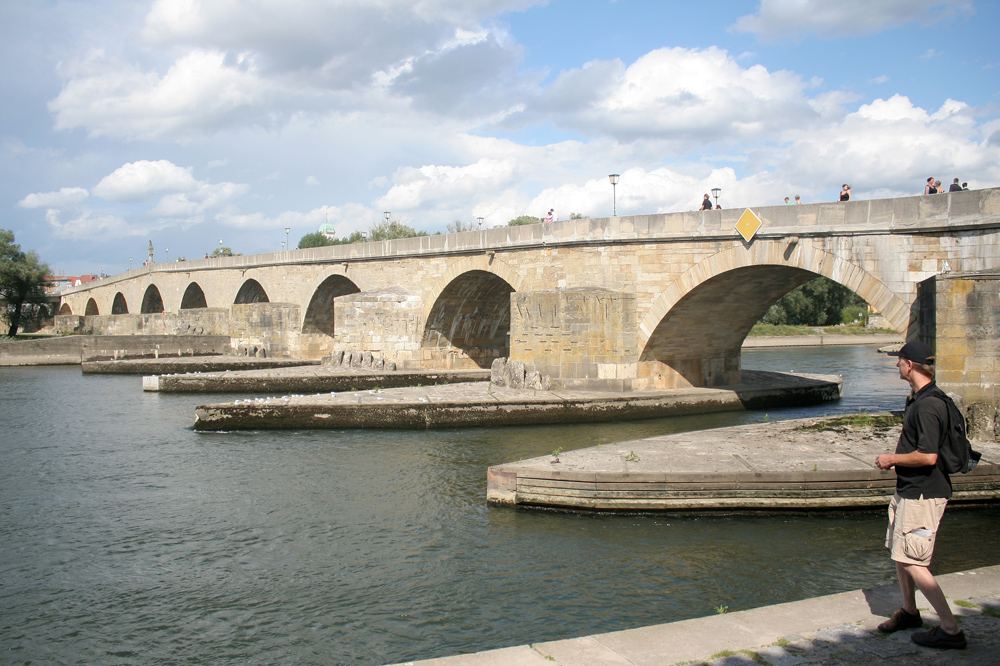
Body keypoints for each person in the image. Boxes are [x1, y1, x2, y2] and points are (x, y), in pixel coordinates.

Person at [874, 340, 967, 650]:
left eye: (899, 361)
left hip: (924, 495)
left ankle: (951, 629)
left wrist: (892, 458)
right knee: (902, 554)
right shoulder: (920, 398)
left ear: (910, 365)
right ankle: (910, 612)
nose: (897, 366)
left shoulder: (928, 405)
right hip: (910, 491)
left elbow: (928, 456)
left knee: (914, 561)